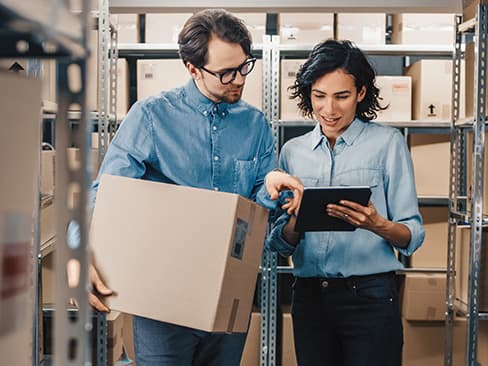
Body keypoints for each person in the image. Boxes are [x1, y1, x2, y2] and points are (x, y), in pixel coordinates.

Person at [79, 9, 303, 366]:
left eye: (244, 66)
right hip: (163, 299)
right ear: (192, 67)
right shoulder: (152, 117)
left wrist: (272, 184)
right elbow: (104, 193)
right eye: (226, 72)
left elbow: (259, 203)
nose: (239, 79)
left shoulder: (256, 125)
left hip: (230, 295)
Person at [266, 39, 425, 366]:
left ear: (361, 93)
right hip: (310, 299)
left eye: (342, 96)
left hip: (370, 297)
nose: (329, 110)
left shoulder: (388, 144)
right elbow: (280, 244)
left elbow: (413, 235)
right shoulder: (292, 152)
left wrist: (375, 224)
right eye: (319, 96)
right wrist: (297, 219)